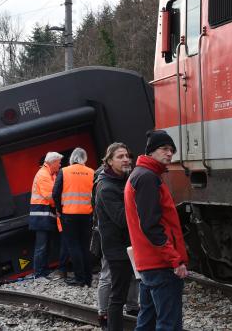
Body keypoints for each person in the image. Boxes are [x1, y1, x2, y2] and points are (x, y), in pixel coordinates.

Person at [124, 130, 189, 331]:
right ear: (151, 151)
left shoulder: (141, 175)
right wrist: (174, 259)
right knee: (169, 324)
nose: (169, 154)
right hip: (160, 263)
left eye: (172, 150)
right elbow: (151, 226)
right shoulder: (147, 178)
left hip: (148, 262)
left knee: (147, 322)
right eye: (164, 149)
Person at [94, 142, 138, 331]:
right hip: (117, 248)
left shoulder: (125, 179)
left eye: (127, 155)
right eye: (120, 157)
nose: (126, 159)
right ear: (110, 161)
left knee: (134, 282)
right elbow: (122, 219)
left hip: (129, 244)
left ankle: (134, 312)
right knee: (117, 293)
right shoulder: (106, 187)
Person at [53, 147, 95, 287]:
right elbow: (95, 195)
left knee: (74, 246)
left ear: (72, 158)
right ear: (84, 158)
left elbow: (55, 193)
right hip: (87, 215)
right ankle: (88, 279)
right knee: (85, 246)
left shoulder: (64, 171)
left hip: (69, 215)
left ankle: (80, 279)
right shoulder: (91, 172)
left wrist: (59, 210)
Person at [28, 151, 63, 278]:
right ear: (52, 162)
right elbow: (50, 197)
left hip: (43, 214)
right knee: (42, 245)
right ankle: (39, 273)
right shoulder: (43, 175)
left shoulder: (49, 174)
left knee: (45, 245)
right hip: (41, 214)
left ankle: (44, 269)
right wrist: (61, 205)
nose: (59, 166)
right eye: (58, 163)